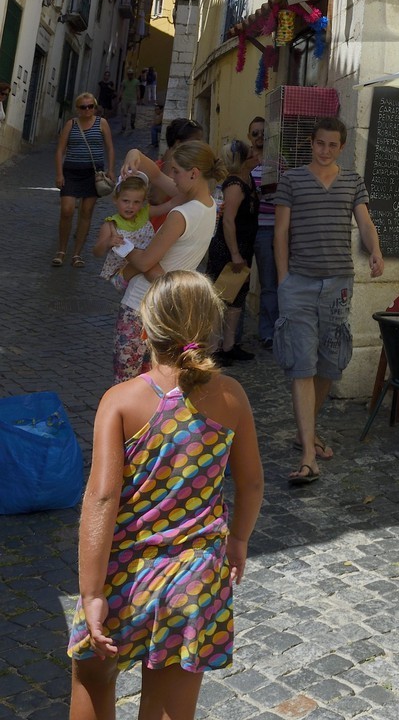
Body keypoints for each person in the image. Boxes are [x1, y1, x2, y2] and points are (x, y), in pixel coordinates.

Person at [68, 270, 263, 720]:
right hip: (195, 577)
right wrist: (238, 540)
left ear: (145, 328)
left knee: (93, 678)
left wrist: (91, 591)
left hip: (124, 572)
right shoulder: (232, 397)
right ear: (211, 328)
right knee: (170, 704)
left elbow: (100, 499)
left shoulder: (120, 401)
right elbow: (251, 483)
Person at [274, 116, 384, 485]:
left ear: (341, 146)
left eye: (332, 145)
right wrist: (283, 280)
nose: (325, 151)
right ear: (312, 143)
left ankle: (306, 431)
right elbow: (281, 233)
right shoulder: (291, 180)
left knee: (328, 365)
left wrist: (375, 251)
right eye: (320, 143)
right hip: (300, 284)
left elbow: (365, 223)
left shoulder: (352, 181)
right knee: (302, 364)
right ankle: (308, 455)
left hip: (338, 285)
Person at [111, 142, 223, 383]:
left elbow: (144, 263)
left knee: (126, 384)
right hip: (168, 306)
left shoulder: (180, 214)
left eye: (176, 171)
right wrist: (133, 153)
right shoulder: (209, 205)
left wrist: (120, 242)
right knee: (158, 385)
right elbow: (155, 173)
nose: (171, 177)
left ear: (193, 173)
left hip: (140, 307)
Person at [205, 140, 260, 366]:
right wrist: (235, 254)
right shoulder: (235, 185)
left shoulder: (248, 180)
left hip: (243, 248)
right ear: (244, 160)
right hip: (228, 250)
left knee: (236, 299)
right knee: (220, 300)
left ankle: (228, 346)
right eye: (252, 153)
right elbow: (228, 222)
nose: (256, 154)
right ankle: (213, 348)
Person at [54, 93, 115, 269]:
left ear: (95, 107)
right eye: (83, 107)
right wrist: (59, 174)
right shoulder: (70, 124)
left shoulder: (102, 123)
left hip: (93, 174)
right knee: (66, 210)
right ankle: (61, 250)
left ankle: (77, 253)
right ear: (77, 109)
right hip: (71, 172)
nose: (87, 110)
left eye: (90, 106)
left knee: (86, 212)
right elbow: (60, 150)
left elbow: (110, 148)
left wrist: (111, 170)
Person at [246, 116, 278, 350]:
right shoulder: (244, 162)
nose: (259, 137)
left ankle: (268, 333)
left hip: (272, 228)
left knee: (270, 283)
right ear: (250, 137)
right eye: (255, 133)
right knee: (241, 282)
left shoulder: (279, 162)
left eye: (262, 132)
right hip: (250, 228)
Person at [93, 175, 155, 292]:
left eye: (136, 202)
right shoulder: (111, 225)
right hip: (121, 275)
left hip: (144, 264)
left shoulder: (144, 214)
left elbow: (171, 206)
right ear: (115, 199)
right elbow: (97, 252)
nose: (130, 206)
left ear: (142, 203)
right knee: (148, 265)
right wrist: (108, 243)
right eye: (125, 201)